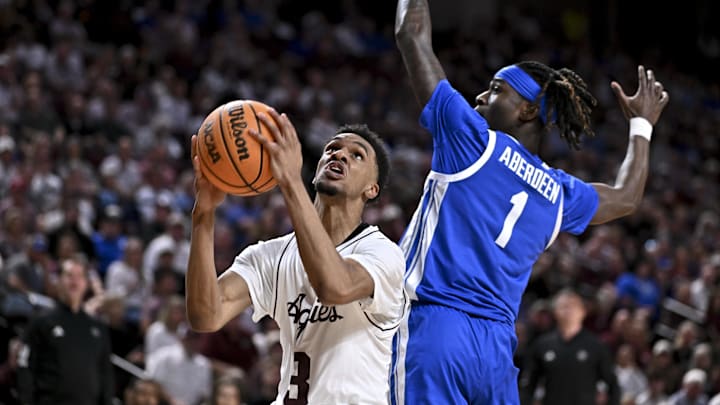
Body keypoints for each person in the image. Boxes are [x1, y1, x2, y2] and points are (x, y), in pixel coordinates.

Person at [392, 1, 670, 403]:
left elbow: (410, 36)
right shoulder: (557, 193)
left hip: (437, 327)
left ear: (528, 109)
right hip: (496, 353)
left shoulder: (473, 141)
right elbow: (627, 197)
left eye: (496, 90)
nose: (480, 96)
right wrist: (641, 126)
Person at [185, 110, 406, 404]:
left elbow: (334, 286)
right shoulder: (271, 255)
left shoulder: (382, 253)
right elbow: (205, 315)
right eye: (332, 149)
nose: (339, 155)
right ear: (316, 169)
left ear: (372, 188)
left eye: (357, 155)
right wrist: (203, 217)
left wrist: (290, 181)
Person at [16, 255, 115, 405]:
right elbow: (25, 364)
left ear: (86, 284)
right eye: (69, 275)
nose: (74, 281)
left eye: (79, 276)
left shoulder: (98, 328)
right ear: (59, 281)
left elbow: (105, 372)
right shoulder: (42, 321)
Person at [519, 289, 620, 405]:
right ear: (555, 312)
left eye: (573, 306)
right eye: (563, 306)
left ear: (583, 311)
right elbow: (528, 386)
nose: (568, 310)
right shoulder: (542, 345)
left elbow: (613, 385)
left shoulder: (596, 346)